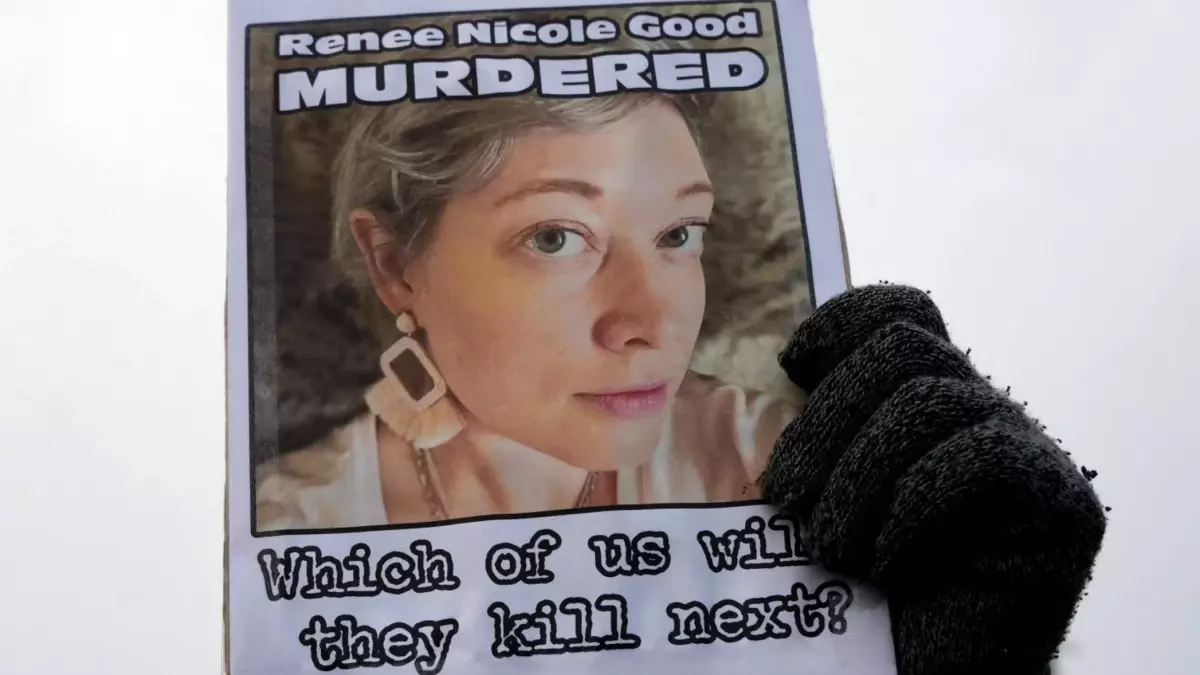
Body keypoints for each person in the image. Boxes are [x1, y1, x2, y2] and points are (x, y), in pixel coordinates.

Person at [255, 88, 799, 530]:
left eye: (679, 233)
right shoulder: (285, 528)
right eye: (554, 238)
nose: (654, 326)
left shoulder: (772, 456)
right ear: (394, 265)